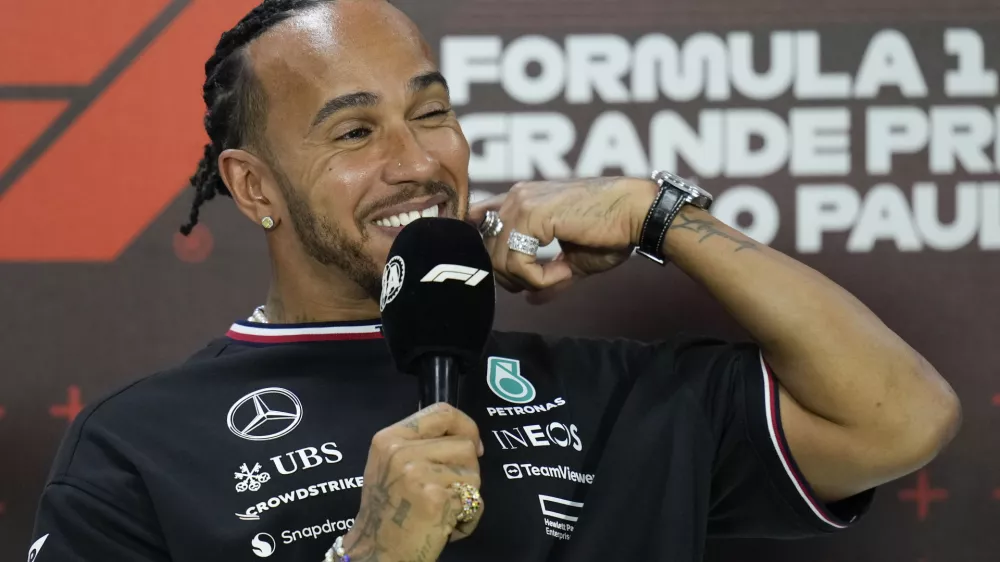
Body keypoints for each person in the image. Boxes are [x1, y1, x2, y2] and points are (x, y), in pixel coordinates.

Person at [29, 1, 961, 561]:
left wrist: (658, 215)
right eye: (355, 133)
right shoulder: (139, 448)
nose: (416, 161)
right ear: (253, 187)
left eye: (431, 113)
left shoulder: (610, 394)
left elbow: (901, 417)